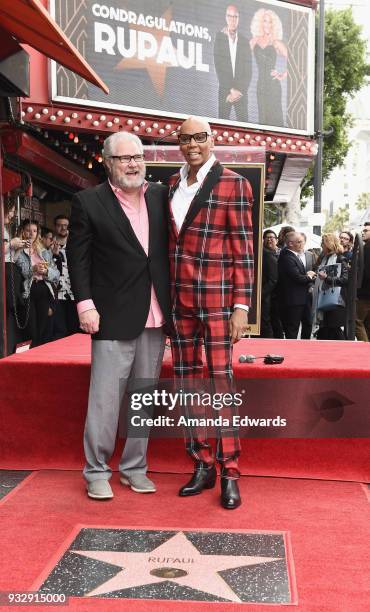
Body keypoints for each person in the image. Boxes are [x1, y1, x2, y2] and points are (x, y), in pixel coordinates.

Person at [67, 132, 171, 500]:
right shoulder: (88, 202)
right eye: (124, 158)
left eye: (138, 157)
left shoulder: (161, 196)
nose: (133, 164)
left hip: (156, 315)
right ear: (107, 162)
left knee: (144, 399)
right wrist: (86, 305)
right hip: (110, 316)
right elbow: (77, 260)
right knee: (105, 400)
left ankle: (133, 468)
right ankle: (96, 470)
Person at [168, 116, 254, 509]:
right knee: (187, 384)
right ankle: (201, 463)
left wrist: (241, 307)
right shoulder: (171, 184)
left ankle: (230, 471)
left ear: (212, 139)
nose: (192, 145)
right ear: (179, 143)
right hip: (180, 300)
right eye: (185, 139)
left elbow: (243, 250)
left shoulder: (234, 183)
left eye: (199, 137)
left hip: (219, 302)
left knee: (221, 383)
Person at [16, 220, 60, 347]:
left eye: (34, 231)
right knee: (31, 329)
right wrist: (33, 269)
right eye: (28, 230)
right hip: (29, 289)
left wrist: (46, 271)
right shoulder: (19, 250)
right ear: (22, 232)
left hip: (44, 289)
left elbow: (56, 274)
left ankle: (39, 357)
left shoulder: (44, 251)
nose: (31, 234)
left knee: (43, 328)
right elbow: (22, 272)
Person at [213, 5, 252, 122]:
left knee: (244, 127)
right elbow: (218, 67)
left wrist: (238, 91)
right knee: (222, 126)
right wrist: (230, 90)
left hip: (241, 92)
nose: (233, 20)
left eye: (235, 17)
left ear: (239, 18)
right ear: (226, 17)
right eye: (230, 16)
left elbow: (249, 71)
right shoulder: (219, 38)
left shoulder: (245, 41)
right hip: (225, 91)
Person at [250, 8, 287, 126]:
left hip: (273, 86)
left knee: (275, 118)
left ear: (273, 24)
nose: (267, 24)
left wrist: (281, 75)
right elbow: (240, 58)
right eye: (265, 21)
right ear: (260, 23)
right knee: (263, 118)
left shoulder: (276, 43)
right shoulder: (254, 41)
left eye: (270, 22)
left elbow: (295, 64)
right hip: (261, 84)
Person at [277, 232, 316, 339]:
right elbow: (297, 277)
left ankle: (305, 349)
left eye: (302, 241)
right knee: (292, 329)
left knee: (308, 324)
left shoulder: (298, 255)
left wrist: (309, 278)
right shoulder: (287, 257)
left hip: (304, 298)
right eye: (298, 242)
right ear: (290, 243)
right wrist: (309, 276)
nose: (302, 244)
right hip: (293, 300)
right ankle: (292, 352)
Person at [313, 233, 348, 341]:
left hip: (336, 299)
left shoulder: (340, 259)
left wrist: (326, 278)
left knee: (333, 329)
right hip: (324, 297)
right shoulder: (324, 258)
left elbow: (344, 280)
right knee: (325, 329)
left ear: (328, 244)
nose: (321, 245)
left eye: (323, 243)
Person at [2, 199, 25, 354]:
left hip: (10, 269)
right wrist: (11, 244)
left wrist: (17, 248)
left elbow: (12, 257)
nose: (12, 215)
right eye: (11, 211)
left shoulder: (4, 228)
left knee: (12, 310)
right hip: (5, 270)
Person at [52, 214, 79, 340]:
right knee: (59, 330)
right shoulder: (48, 245)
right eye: (59, 225)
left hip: (75, 293)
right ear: (54, 227)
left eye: (65, 225)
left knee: (75, 329)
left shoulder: (77, 244)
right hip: (56, 294)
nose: (62, 228)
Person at [260, 230, 278, 338]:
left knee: (265, 325)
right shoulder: (264, 253)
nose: (269, 239)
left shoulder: (268, 255)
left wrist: (260, 295)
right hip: (265, 296)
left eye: (271, 237)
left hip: (266, 298)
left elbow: (273, 280)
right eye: (266, 237)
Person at [355, 223, 370, 341]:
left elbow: (366, 272)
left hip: (365, 293)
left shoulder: (367, 248)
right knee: (367, 324)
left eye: (366, 230)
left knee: (357, 322)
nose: (363, 232)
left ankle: (365, 349)